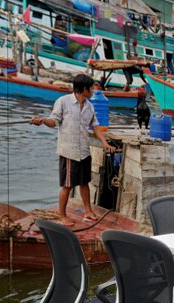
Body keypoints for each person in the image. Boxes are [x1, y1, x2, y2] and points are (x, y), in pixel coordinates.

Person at [30, 73, 114, 224]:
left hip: (84, 151)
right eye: (91, 88)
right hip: (69, 152)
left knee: (84, 183)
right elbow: (53, 121)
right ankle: (62, 216)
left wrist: (105, 143)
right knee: (67, 186)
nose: (93, 91)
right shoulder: (63, 102)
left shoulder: (90, 106)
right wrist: (42, 120)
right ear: (84, 89)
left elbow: (95, 127)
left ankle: (88, 211)